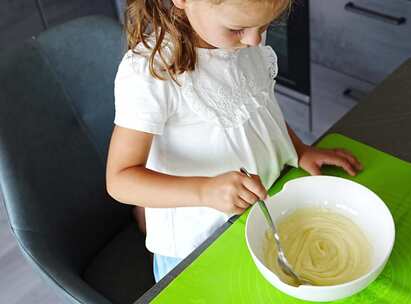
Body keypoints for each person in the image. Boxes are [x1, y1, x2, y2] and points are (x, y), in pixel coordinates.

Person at [106, 0, 363, 282]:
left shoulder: (242, 41)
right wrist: (205, 190)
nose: (254, 40)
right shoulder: (151, 72)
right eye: (237, 28)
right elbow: (120, 180)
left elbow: (256, 108)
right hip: (198, 250)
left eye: (265, 26)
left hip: (258, 221)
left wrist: (300, 150)